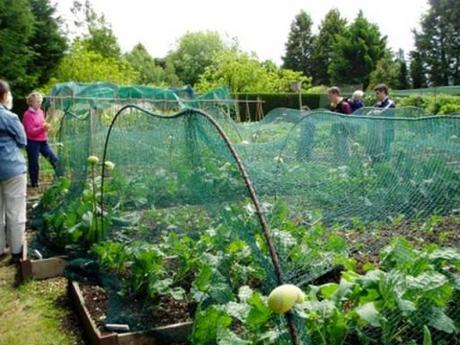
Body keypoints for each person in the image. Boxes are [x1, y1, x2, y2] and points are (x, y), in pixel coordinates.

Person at [0, 80, 27, 261]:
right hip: (12, 169)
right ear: (4, 95)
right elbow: (22, 140)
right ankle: (17, 252)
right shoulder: (9, 117)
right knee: (15, 211)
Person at [22, 91, 59, 188]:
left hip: (43, 141)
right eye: (37, 102)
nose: (40, 103)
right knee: (34, 163)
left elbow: (42, 124)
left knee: (54, 159)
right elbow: (30, 131)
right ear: (31, 102)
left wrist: (47, 127)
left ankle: (60, 176)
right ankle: (34, 183)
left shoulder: (40, 112)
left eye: (40, 101)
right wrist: (43, 128)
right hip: (32, 142)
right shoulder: (27, 115)